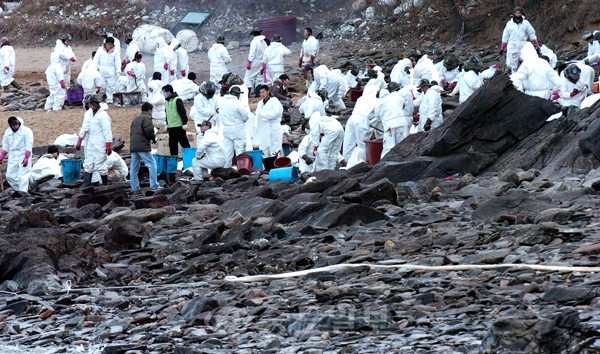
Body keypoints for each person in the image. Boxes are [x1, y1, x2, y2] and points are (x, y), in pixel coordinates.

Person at [76, 95, 113, 187]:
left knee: (100, 165)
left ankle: (105, 185)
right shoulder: (92, 114)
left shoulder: (103, 115)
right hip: (91, 143)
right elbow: (86, 127)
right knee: (88, 164)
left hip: (99, 144)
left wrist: (108, 144)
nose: (89, 106)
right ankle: (86, 185)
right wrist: (80, 139)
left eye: (91, 104)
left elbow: (107, 131)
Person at [343, 85, 378, 161]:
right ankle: (363, 162)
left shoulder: (361, 99)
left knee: (349, 142)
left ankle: (347, 161)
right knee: (362, 144)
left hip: (352, 118)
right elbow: (377, 117)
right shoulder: (376, 101)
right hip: (362, 120)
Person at [130, 103, 161, 191]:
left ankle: (134, 188)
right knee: (152, 164)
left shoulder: (136, 119)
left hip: (133, 145)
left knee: (134, 168)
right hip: (142, 145)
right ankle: (154, 185)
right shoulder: (147, 118)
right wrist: (154, 139)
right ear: (149, 110)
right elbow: (149, 131)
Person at [375, 82, 411, 158]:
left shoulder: (378, 103)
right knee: (402, 145)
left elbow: (377, 116)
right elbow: (403, 105)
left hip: (389, 125)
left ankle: (384, 166)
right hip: (402, 122)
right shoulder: (396, 97)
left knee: (388, 147)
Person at [0, 117, 33, 193]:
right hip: (13, 155)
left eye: (16, 125)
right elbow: (6, 146)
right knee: (10, 176)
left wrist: (26, 157)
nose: (15, 127)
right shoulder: (8, 132)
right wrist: (1, 157)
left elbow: (29, 144)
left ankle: (23, 194)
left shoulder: (26, 131)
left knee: (23, 176)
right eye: (13, 125)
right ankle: (19, 190)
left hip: (23, 153)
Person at [219, 86, 249, 167]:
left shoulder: (222, 102)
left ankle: (226, 169)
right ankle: (242, 168)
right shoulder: (237, 103)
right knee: (240, 150)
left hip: (226, 129)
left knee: (228, 151)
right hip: (238, 129)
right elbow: (246, 115)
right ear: (237, 94)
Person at [253, 85, 283, 157]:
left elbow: (276, 113)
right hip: (263, 128)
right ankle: (266, 166)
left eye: (263, 92)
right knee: (264, 148)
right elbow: (257, 113)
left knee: (275, 148)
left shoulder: (274, 101)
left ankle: (275, 164)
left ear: (268, 91)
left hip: (273, 126)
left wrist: (264, 115)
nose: (262, 94)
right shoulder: (260, 103)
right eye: (260, 93)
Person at [162, 84, 190, 156]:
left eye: (164, 92)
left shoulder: (177, 100)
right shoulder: (167, 102)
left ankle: (189, 160)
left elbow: (182, 112)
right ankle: (174, 163)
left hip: (179, 127)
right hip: (171, 128)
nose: (164, 94)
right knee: (172, 148)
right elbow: (167, 113)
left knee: (185, 146)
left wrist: (184, 123)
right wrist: (167, 124)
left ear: (169, 92)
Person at [94, 37, 121, 104]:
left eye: (111, 45)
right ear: (105, 44)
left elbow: (118, 63)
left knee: (111, 87)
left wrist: (118, 72)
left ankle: (110, 100)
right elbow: (96, 60)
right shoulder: (100, 50)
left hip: (111, 72)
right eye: (108, 44)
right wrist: (94, 69)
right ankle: (103, 97)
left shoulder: (115, 52)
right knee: (102, 86)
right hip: (101, 72)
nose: (110, 46)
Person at [244, 27, 267, 96]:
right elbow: (266, 52)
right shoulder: (263, 41)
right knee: (258, 77)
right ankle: (258, 94)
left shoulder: (254, 42)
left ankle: (247, 94)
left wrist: (249, 62)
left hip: (255, 61)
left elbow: (252, 53)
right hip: (262, 61)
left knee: (248, 77)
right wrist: (264, 62)